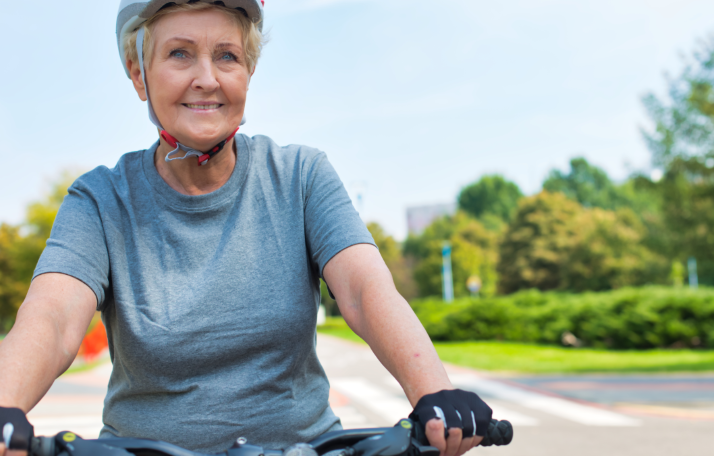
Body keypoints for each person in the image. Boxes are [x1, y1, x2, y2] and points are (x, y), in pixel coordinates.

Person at [0, 2, 492, 456]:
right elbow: (54, 318)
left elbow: (365, 291)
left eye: (227, 56)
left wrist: (434, 391)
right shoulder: (101, 200)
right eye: (179, 54)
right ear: (138, 74)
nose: (207, 79)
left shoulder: (301, 176)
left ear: (248, 72)